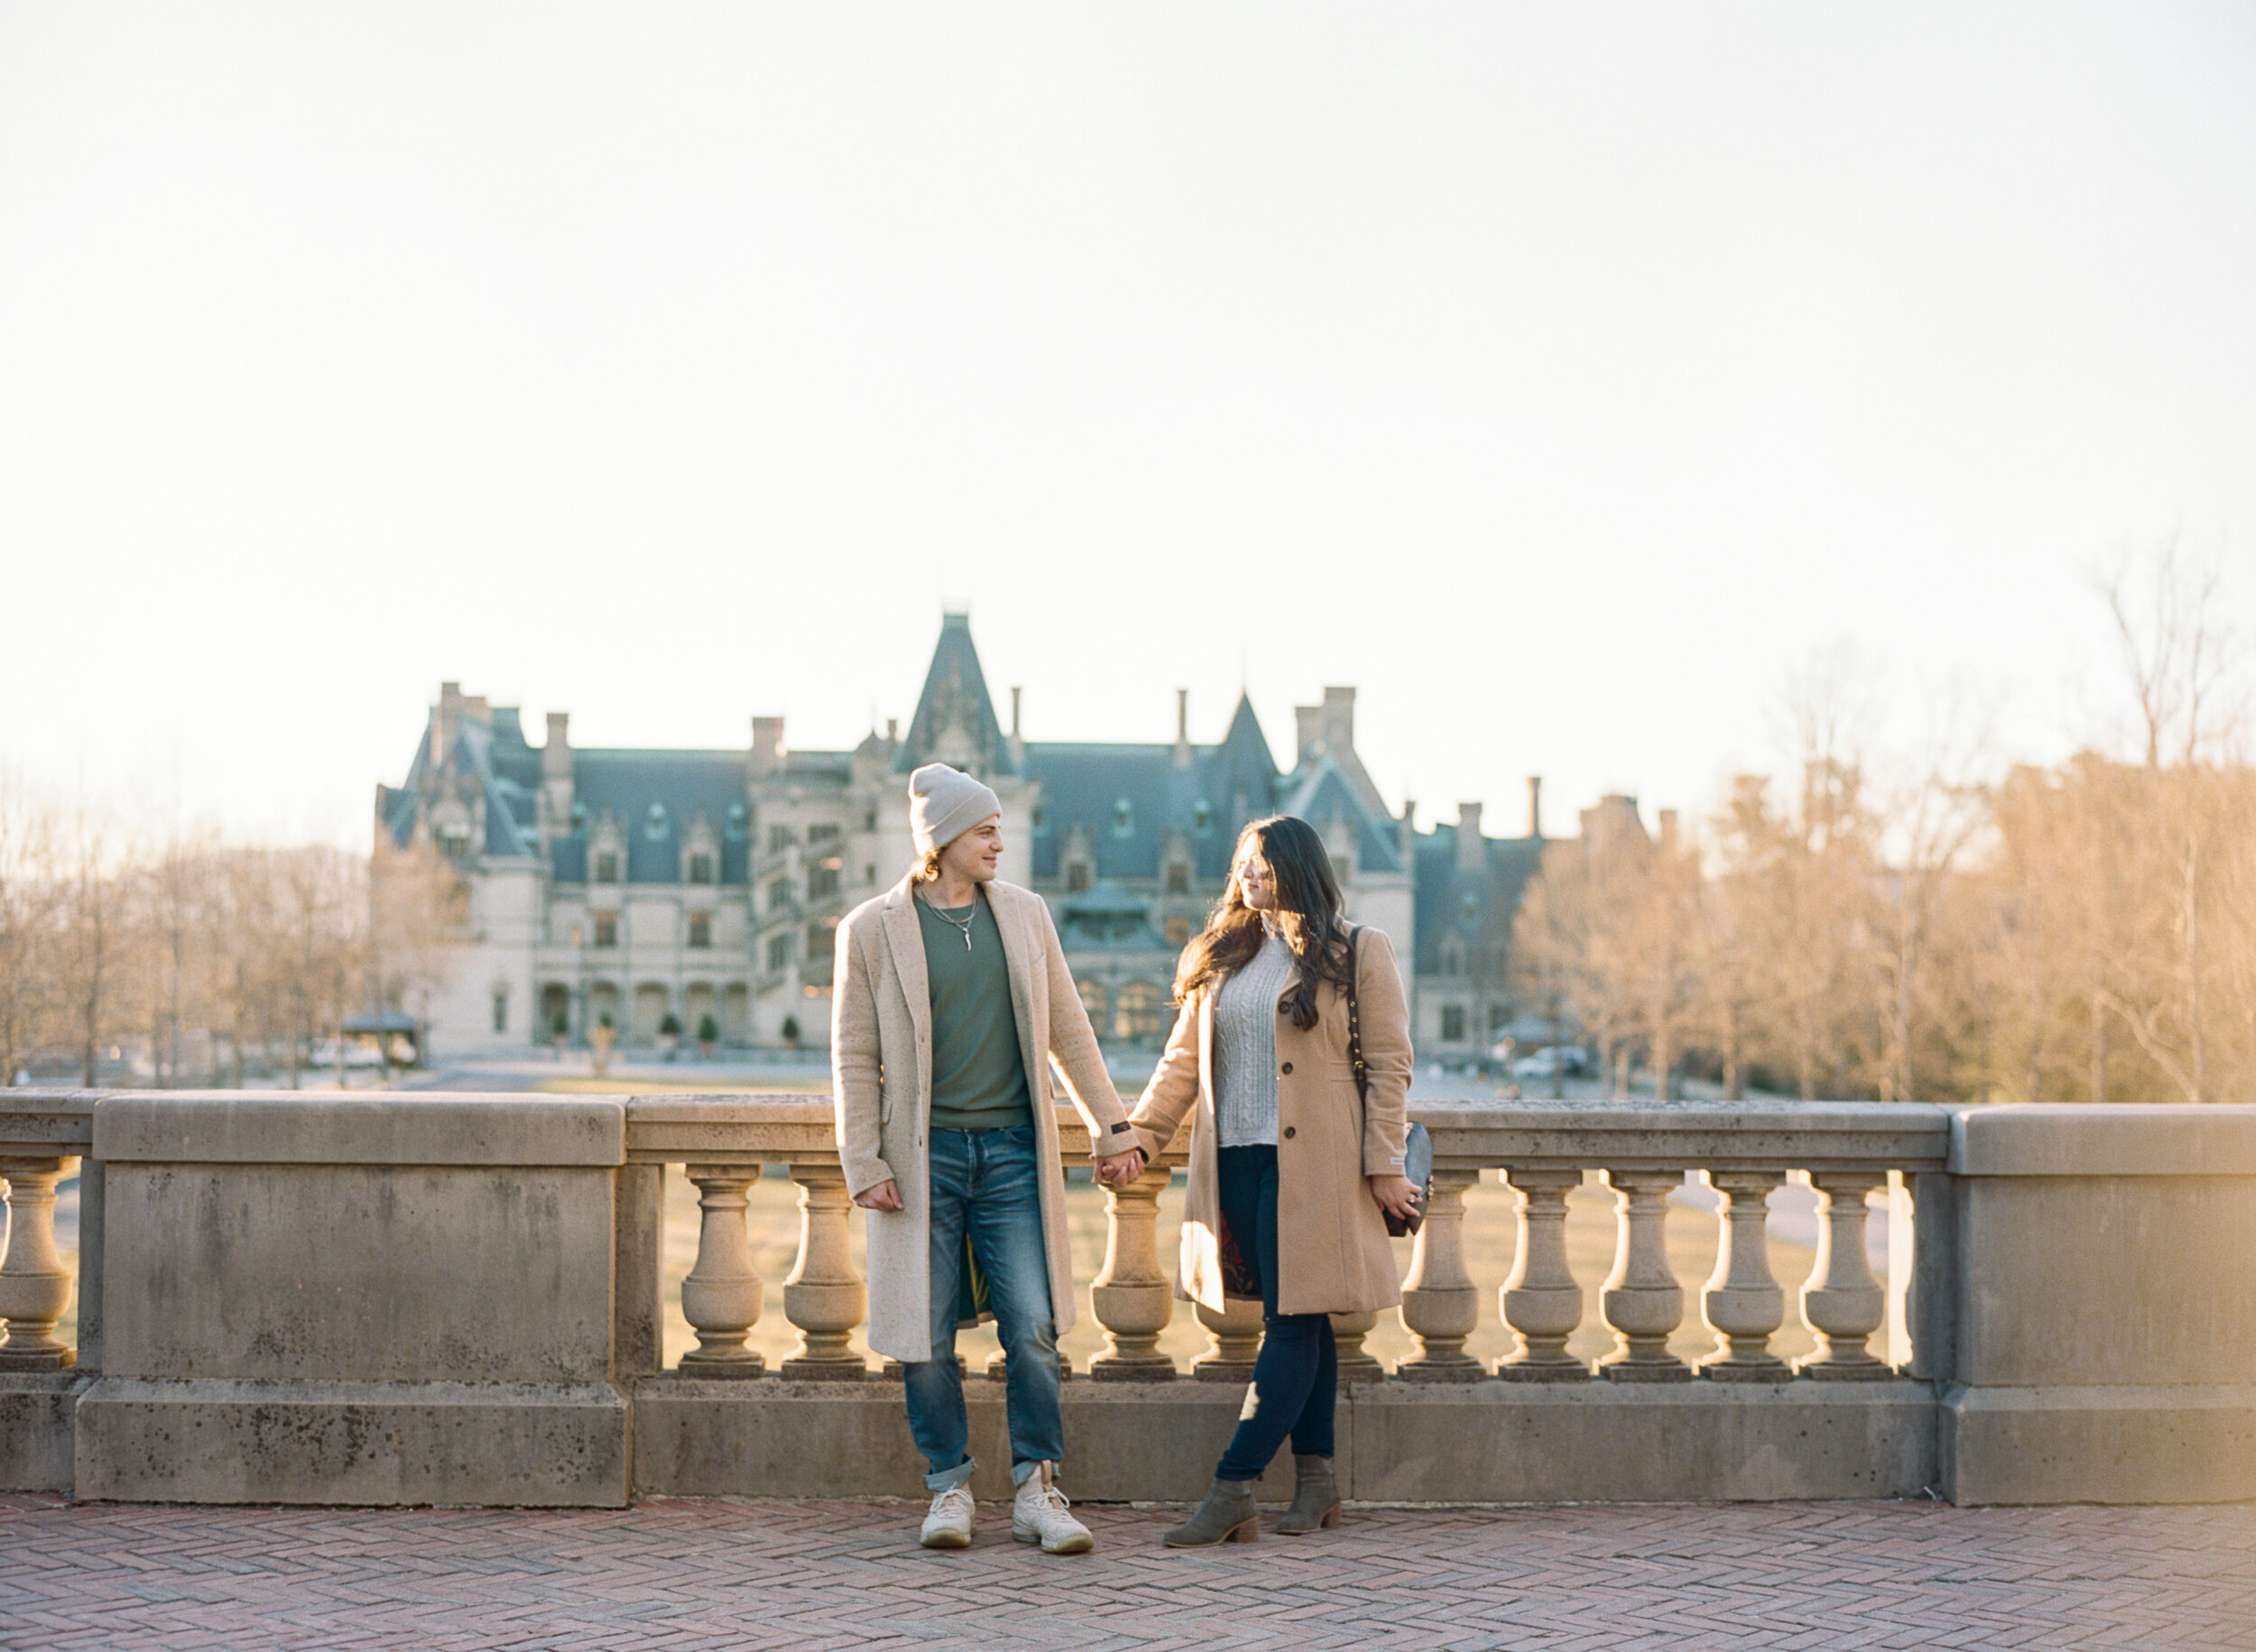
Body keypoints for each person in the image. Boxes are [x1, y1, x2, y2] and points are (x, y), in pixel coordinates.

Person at [832, 762, 1148, 1554]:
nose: (1001, 841)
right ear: (940, 842)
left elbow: (1069, 1030)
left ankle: (1039, 1489)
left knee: (1034, 1327)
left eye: (1000, 826)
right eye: (985, 829)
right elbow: (852, 1054)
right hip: (921, 1157)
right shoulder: (870, 929)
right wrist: (862, 1158)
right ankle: (948, 1489)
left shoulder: (1026, 914)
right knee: (925, 1332)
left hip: (1012, 1153)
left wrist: (1113, 1127)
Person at [1121, 814, 1418, 1546]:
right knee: (1304, 1314)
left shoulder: (1358, 950)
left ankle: (1234, 1485)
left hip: (1316, 1168)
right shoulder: (1223, 955)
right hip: (1238, 1162)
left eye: (1262, 862)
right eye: (1242, 863)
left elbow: (1389, 1065)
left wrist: (1384, 1166)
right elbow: (1181, 1064)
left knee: (1287, 1326)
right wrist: (1140, 1136)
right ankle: (1317, 1483)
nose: (1247, 874)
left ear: (1297, 867)